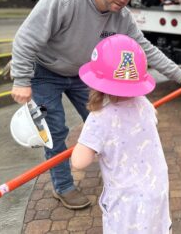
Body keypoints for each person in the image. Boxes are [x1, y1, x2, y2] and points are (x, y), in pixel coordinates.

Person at [10, 0, 181, 209]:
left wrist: (180, 75)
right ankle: (63, 186)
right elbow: (26, 40)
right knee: (55, 131)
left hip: (84, 72)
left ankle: (115, 172)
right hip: (46, 71)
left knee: (107, 118)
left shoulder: (121, 16)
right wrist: (22, 80)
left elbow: (144, 49)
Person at [71, 34, 171, 233]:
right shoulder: (144, 102)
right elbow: (154, 116)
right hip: (156, 187)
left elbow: (79, 161)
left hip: (126, 199)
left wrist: (86, 141)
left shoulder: (98, 118)